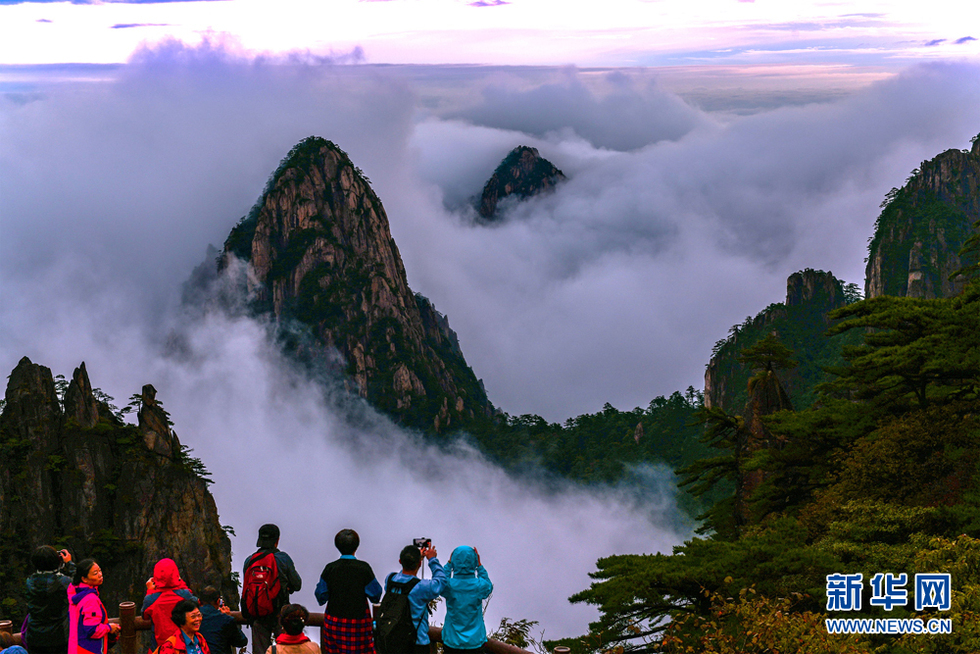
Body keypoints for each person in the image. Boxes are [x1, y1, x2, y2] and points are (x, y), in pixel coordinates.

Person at [314, 529, 383, 654]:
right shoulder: (364, 569)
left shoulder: (330, 568)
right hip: (359, 623)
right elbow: (376, 595)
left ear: (337, 546)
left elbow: (321, 596)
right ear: (356, 546)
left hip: (334, 621)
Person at [242, 524, 302, 654]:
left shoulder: (250, 561)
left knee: (260, 651)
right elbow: (297, 585)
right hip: (280, 613)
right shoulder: (283, 559)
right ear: (277, 540)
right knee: (285, 650)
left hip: (257, 613)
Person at [384, 543, 445, 654]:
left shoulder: (390, 579)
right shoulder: (421, 587)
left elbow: (402, 579)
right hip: (417, 643)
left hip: (393, 640)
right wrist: (432, 560)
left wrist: (414, 559)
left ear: (400, 561)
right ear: (420, 564)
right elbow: (441, 581)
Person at [441, 547, 493, 653]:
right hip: (475, 642)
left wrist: (449, 564)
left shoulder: (449, 585)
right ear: (473, 562)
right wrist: (480, 566)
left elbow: (440, 581)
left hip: (452, 641)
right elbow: (488, 586)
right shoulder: (479, 586)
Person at [24, 545, 75, 654]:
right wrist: (69, 564)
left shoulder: (30, 582)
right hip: (59, 637)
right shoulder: (63, 583)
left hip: (35, 637)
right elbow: (79, 583)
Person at [142, 558, 198, 652]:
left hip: (160, 649)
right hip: (184, 648)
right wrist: (180, 583)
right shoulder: (185, 595)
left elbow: (144, 615)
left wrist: (150, 591)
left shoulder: (151, 599)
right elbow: (196, 602)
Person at [68, 559, 121, 654]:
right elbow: (92, 630)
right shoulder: (90, 599)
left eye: (100, 571)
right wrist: (109, 627)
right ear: (84, 579)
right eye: (95, 573)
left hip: (77, 646)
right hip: (89, 649)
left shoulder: (77, 594)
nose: (100, 574)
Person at [197, 586, 247, 654]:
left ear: (199, 602)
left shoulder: (192, 618)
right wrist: (228, 616)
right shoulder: (225, 619)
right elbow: (242, 641)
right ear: (218, 602)